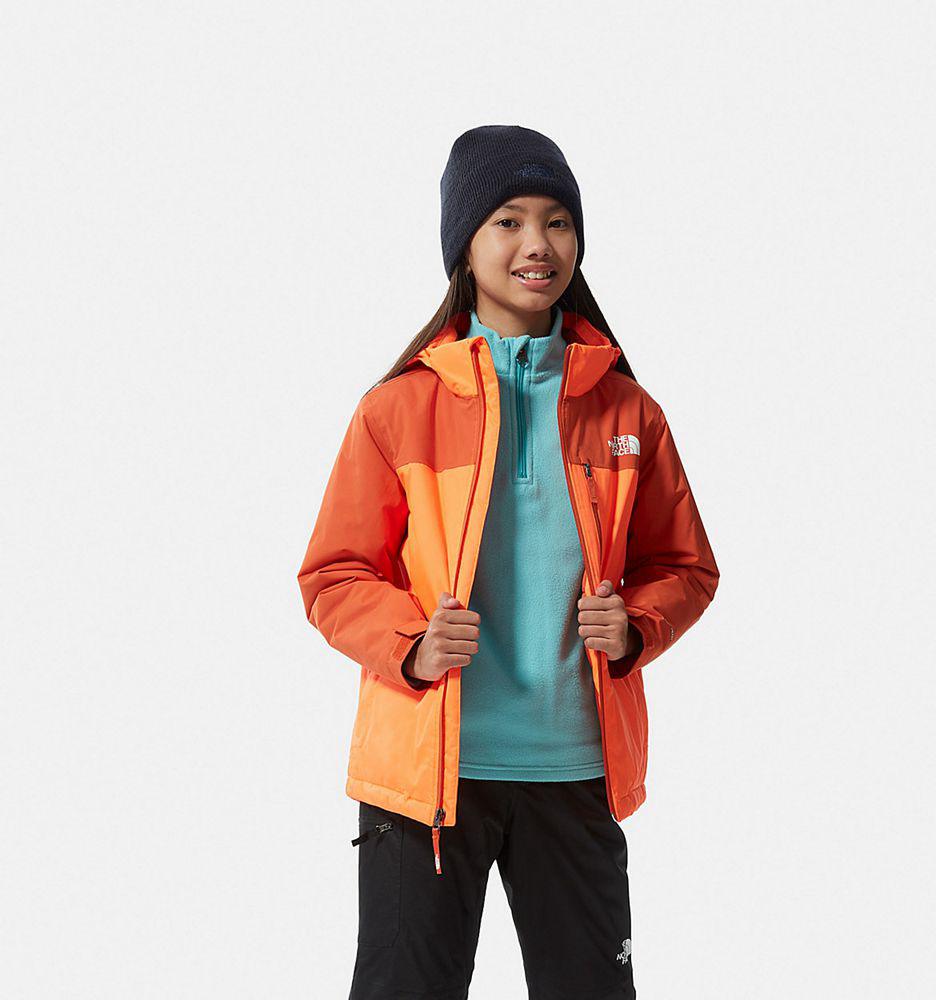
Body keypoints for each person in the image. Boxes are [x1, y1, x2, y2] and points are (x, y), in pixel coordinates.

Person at [297, 124, 720, 1000]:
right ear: (465, 243)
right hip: (425, 778)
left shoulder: (629, 411)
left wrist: (635, 627)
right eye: (509, 220)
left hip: (575, 769)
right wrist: (411, 643)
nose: (538, 244)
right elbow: (334, 574)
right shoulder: (397, 409)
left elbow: (686, 565)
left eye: (558, 221)